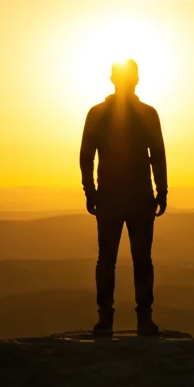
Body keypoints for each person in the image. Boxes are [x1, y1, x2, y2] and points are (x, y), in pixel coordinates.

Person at [79, 58, 167, 337]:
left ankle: (107, 320)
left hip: (113, 197)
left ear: (112, 79)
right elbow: (158, 156)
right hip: (137, 196)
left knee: (108, 260)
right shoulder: (147, 114)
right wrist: (161, 191)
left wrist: (90, 190)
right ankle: (141, 320)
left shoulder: (97, 113)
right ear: (137, 80)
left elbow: (86, 155)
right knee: (140, 260)